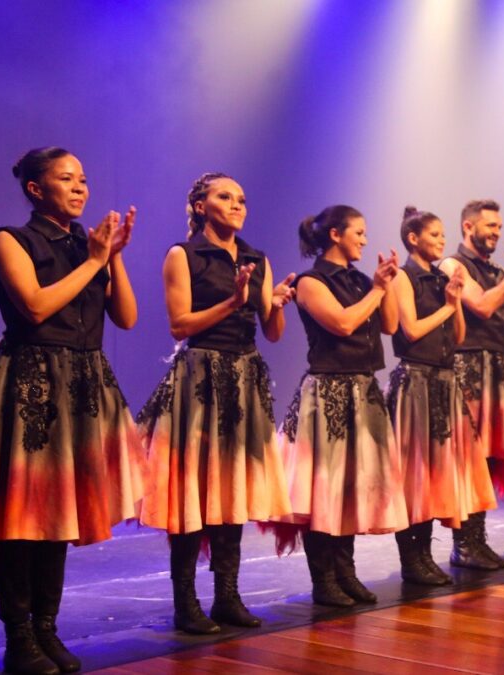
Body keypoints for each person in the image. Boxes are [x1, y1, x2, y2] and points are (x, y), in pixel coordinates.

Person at [0, 147, 146, 674]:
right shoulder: (10, 240)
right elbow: (33, 305)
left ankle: (47, 629)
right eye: (66, 179)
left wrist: (113, 256)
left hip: (81, 385)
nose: (80, 188)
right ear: (36, 189)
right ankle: (19, 637)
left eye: (84, 179)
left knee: (59, 512)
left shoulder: (88, 245)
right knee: (21, 516)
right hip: (30, 384)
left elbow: (125, 317)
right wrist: (96, 262)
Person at [137, 172, 295, 635]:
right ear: (201, 206)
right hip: (200, 379)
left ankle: (227, 595)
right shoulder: (182, 255)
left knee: (232, 491)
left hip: (243, 378)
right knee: (192, 492)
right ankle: (186, 603)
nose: (236, 204)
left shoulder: (255, 258)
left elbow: (272, 332)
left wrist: (277, 305)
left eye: (241, 198)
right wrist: (231, 302)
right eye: (225, 196)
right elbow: (179, 325)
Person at [277, 205, 408, 607]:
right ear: (335, 234)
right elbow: (343, 324)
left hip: (363, 388)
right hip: (330, 391)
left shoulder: (358, 279)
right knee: (326, 488)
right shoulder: (310, 282)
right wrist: (376, 290)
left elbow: (387, 326)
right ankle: (325, 579)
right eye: (360, 233)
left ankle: (346, 572)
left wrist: (384, 285)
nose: (365, 240)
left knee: (351, 486)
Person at [439, 199, 504, 570]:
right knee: (470, 457)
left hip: (499, 365)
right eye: (490, 226)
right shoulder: (453, 264)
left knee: (490, 457)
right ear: (468, 227)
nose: (497, 232)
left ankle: (476, 539)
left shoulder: (500, 269)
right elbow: (480, 306)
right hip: (469, 367)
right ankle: (463, 543)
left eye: (499, 226)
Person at [386, 206, 468, 585]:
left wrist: (456, 301)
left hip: (444, 380)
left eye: (442, 234)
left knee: (436, 473)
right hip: (415, 381)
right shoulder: (404, 277)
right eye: (434, 234)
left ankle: (427, 554)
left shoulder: (440, 279)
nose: (442, 240)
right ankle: (412, 558)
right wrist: (448, 308)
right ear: (413, 238)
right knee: (414, 473)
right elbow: (411, 330)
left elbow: (459, 337)